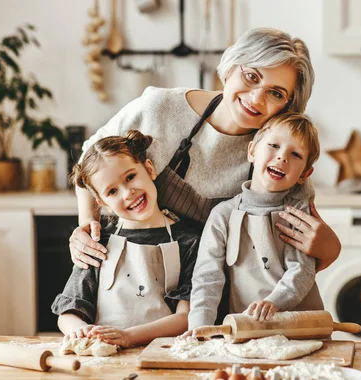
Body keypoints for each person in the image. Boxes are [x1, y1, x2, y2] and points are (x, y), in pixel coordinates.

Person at [68, 27, 341, 281]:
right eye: (251, 76)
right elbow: (88, 161)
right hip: (130, 279)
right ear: (231, 67)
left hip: (215, 302)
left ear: (288, 106)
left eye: (276, 93)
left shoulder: (279, 155)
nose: (257, 98)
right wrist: (87, 225)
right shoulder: (161, 108)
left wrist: (330, 250)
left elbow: (297, 258)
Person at [51, 131, 200, 348]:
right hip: (106, 357)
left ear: (149, 169)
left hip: (163, 355)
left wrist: (128, 337)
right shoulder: (98, 243)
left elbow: (186, 318)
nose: (127, 193)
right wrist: (79, 330)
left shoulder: (190, 241)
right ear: (101, 202)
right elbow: (68, 313)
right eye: (112, 191)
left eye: (130, 177)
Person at [188, 113, 325, 330]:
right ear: (252, 151)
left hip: (301, 327)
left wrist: (274, 302)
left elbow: (302, 270)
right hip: (246, 327)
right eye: (273, 145)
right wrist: (198, 328)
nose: (282, 157)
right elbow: (207, 278)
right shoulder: (222, 215)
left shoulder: (298, 213)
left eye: (296, 154)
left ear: (304, 174)